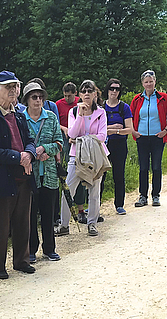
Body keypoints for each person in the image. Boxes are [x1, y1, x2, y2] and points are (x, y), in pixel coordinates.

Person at [0, 71, 37, 278]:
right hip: (2, 178)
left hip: (23, 175)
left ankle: (21, 261)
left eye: (16, 86)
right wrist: (18, 157)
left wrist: (29, 154)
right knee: (1, 225)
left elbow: (30, 139)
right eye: (8, 87)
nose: (13, 90)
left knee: (23, 221)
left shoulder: (19, 113)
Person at [60, 80, 108, 237]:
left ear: (95, 94)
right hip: (76, 156)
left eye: (90, 91)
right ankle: (64, 224)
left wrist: (81, 140)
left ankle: (92, 223)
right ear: (79, 95)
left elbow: (102, 135)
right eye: (84, 91)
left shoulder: (100, 112)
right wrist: (80, 115)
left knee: (94, 191)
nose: (87, 94)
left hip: (95, 155)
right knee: (68, 189)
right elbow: (72, 134)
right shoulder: (74, 112)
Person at [22, 81, 63, 262]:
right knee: (30, 215)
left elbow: (59, 143)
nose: (38, 100)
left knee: (48, 213)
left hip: (49, 174)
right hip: (29, 174)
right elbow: (19, 144)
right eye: (34, 97)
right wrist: (35, 154)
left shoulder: (52, 117)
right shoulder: (20, 118)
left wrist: (45, 149)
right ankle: (31, 249)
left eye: (40, 97)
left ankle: (49, 248)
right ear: (27, 100)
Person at [129, 71, 167, 208]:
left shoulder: (163, 98)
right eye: (146, 82)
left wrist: (165, 130)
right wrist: (133, 131)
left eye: (151, 81)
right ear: (142, 83)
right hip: (141, 137)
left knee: (156, 167)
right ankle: (142, 196)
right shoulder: (137, 99)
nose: (148, 84)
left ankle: (156, 195)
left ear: (155, 82)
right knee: (143, 168)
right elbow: (130, 116)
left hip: (157, 138)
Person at [54, 82, 86, 234]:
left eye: (70, 96)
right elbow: (55, 123)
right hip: (64, 139)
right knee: (67, 179)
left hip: (79, 141)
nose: (67, 98)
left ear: (75, 94)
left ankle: (81, 209)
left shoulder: (80, 104)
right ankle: (64, 218)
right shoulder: (58, 104)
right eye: (65, 95)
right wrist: (64, 128)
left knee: (81, 179)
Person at [100, 79, 133, 214]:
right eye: (112, 88)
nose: (114, 91)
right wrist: (113, 127)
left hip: (119, 144)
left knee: (118, 175)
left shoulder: (124, 107)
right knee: (100, 175)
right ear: (107, 90)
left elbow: (129, 129)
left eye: (117, 89)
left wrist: (113, 131)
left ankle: (119, 204)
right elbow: (96, 128)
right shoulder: (101, 107)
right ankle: (95, 205)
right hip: (103, 144)